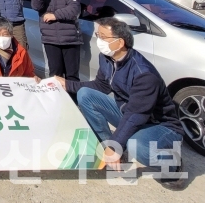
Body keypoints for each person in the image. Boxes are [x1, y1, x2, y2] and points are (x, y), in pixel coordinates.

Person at [51, 17, 186, 190]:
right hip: (129, 112)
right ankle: (113, 149)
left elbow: (137, 115)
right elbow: (100, 86)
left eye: (102, 36)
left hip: (159, 124)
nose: (98, 40)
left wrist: (118, 144)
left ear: (120, 42)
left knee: (138, 146)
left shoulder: (143, 74)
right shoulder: (107, 58)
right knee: (85, 95)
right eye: (97, 35)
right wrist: (67, 84)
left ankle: (173, 164)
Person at [31, 0, 82, 81]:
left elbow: (74, 9)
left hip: (70, 39)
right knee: (55, 75)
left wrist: (55, 15)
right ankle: (58, 98)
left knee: (72, 76)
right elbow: (36, 6)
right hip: (51, 39)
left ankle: (73, 99)